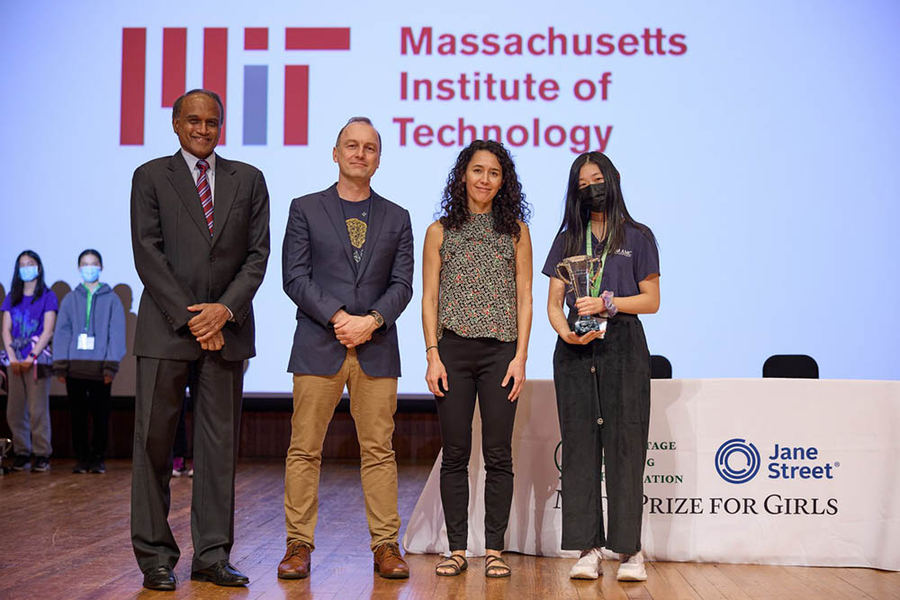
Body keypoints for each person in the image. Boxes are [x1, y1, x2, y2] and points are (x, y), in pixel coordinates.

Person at [129, 88, 270, 591]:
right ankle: (155, 557)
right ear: (175, 123)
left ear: (221, 126)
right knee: (153, 444)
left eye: (212, 122)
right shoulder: (149, 177)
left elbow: (257, 256)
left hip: (226, 333)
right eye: (193, 121)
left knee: (218, 450)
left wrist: (224, 311)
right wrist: (194, 319)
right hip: (167, 333)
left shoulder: (249, 180)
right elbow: (148, 254)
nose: (203, 130)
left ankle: (212, 555)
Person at [278, 117, 414, 580]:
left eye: (370, 148)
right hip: (320, 343)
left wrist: (371, 322)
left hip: (376, 348)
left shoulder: (398, 217)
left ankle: (386, 546)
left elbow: (402, 285)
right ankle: (298, 546)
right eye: (351, 146)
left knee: (379, 451)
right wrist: (341, 319)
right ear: (335, 153)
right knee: (304, 450)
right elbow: (294, 277)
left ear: (379, 158)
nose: (360, 153)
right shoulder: (304, 208)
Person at [543, 151, 660, 582]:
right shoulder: (568, 239)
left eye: (597, 178)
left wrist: (610, 303)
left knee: (626, 447)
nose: (591, 186)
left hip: (624, 348)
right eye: (582, 182)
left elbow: (652, 301)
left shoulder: (638, 235)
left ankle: (630, 550)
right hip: (576, 348)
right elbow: (556, 305)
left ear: (612, 180)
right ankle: (588, 548)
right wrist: (566, 332)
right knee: (579, 449)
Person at [421, 140, 533, 578]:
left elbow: (524, 297)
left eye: (494, 173)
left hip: (501, 354)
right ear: (463, 175)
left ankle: (495, 549)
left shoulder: (516, 232)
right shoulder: (440, 230)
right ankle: (455, 549)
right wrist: (432, 354)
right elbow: (429, 298)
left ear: (504, 182)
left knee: (498, 454)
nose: (484, 179)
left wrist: (521, 356)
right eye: (477, 170)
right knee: (455, 453)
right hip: (451, 351)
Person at [52, 249, 126, 474]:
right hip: (75, 367)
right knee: (77, 416)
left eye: (93, 263)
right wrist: (61, 365)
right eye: (85, 264)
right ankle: (82, 458)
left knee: (101, 415)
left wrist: (111, 365)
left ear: (101, 267)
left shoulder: (112, 299)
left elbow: (117, 333)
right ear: (78, 268)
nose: (89, 268)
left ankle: (98, 458)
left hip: (100, 368)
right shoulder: (70, 299)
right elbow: (62, 332)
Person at [1, 250, 57, 472]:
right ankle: (22, 452)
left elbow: (48, 330)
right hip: (14, 362)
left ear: (39, 267)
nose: (26, 268)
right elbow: (6, 330)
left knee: (37, 410)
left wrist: (31, 356)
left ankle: (42, 454)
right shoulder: (11, 296)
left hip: (37, 362)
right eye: (22, 264)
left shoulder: (47, 295)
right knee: (14, 411)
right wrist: (14, 358)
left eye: (30, 263)